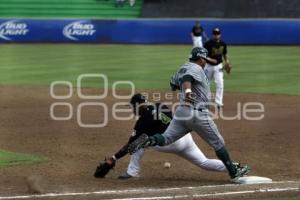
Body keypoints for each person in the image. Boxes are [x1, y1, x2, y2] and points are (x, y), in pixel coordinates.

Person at [128, 47, 250, 183]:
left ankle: (149, 140)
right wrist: (187, 91)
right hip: (197, 114)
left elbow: (173, 83)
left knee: (166, 138)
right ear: (201, 58)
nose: (205, 61)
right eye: (205, 59)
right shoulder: (196, 68)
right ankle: (234, 172)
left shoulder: (182, 67)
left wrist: (183, 89)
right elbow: (187, 78)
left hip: (182, 113)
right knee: (218, 143)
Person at [94, 93, 234, 179]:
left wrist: (113, 158)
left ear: (137, 106)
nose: (131, 110)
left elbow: (130, 146)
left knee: (139, 143)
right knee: (204, 162)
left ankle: (132, 172)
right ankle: (234, 167)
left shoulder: (143, 121)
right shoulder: (161, 105)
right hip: (185, 138)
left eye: (132, 107)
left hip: (170, 143)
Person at [204, 27, 231, 108]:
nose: (216, 35)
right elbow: (202, 54)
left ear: (220, 34)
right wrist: (210, 59)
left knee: (220, 83)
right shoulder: (208, 43)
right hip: (208, 66)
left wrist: (227, 62)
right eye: (215, 34)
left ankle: (218, 102)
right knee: (206, 84)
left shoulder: (223, 43)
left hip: (219, 66)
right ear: (213, 35)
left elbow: (225, 54)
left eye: (218, 34)